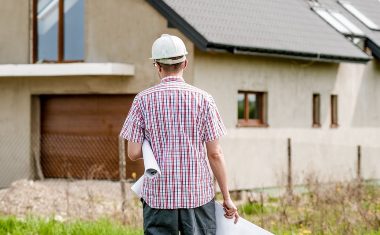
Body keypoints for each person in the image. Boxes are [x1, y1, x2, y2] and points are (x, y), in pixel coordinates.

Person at [120, 34, 238, 235]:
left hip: (158, 198)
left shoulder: (142, 100)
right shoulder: (204, 100)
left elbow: (133, 152)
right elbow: (215, 154)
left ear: (157, 66)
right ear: (185, 63)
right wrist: (226, 197)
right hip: (197, 197)